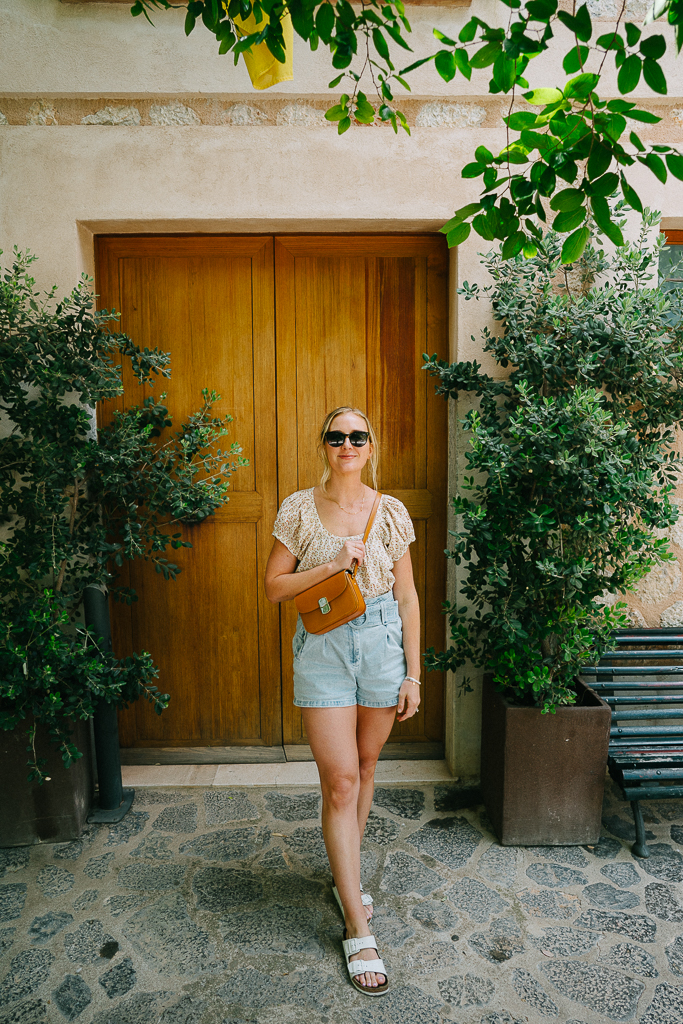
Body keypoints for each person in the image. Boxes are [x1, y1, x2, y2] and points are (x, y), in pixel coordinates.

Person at [264, 406, 421, 997]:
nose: (347, 444)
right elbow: (275, 586)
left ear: (371, 447)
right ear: (324, 446)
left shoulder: (393, 511)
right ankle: (357, 925)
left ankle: (345, 880)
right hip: (325, 644)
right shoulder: (299, 508)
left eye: (357, 436)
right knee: (340, 782)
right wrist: (330, 563)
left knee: (367, 766)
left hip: (383, 643)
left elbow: (407, 599)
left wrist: (415, 674)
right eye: (337, 436)